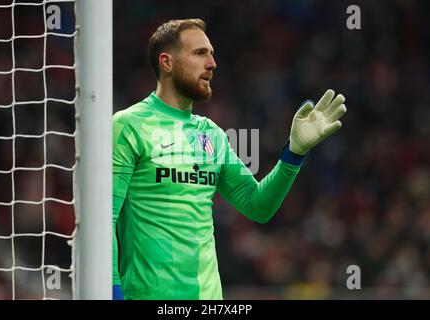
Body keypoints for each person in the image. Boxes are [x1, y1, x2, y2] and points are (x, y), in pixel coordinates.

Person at [112, 18, 347, 300]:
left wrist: (294, 153)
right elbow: (104, 220)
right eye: (200, 53)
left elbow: (256, 205)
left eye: (211, 54)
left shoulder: (212, 135)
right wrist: (113, 292)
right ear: (167, 62)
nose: (212, 64)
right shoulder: (129, 126)